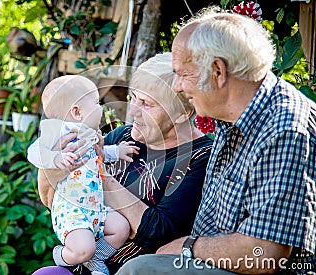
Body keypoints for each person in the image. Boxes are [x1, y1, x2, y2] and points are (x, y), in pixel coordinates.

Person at [116, 6, 316, 275]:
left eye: (183, 74)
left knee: (139, 270)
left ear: (218, 71)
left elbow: (265, 254)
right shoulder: (232, 118)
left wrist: (188, 247)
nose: (176, 86)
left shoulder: (285, 130)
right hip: (216, 261)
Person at [32, 53, 213, 275]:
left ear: (182, 113)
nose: (133, 110)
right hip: (84, 261)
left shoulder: (200, 158)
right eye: (133, 98)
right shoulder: (122, 136)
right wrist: (51, 167)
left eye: (146, 104)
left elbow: (158, 233)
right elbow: (57, 201)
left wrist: (101, 173)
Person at [27, 75, 137, 275]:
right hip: (72, 210)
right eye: (96, 103)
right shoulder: (57, 130)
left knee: (121, 229)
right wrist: (55, 158)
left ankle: (94, 260)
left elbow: (100, 154)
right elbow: (33, 152)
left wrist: (117, 152)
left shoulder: (89, 132)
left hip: (95, 207)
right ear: (77, 112)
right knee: (83, 249)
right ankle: (63, 255)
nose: (101, 107)